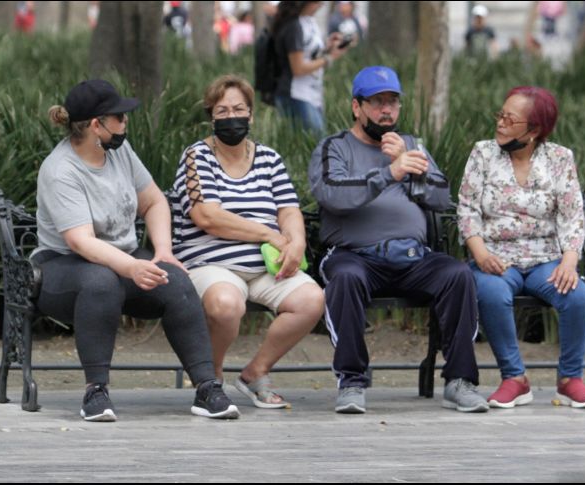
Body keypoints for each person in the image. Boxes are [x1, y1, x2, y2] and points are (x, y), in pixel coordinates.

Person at [35, 79, 239, 422]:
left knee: (175, 281)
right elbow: (80, 241)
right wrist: (131, 268)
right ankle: (95, 392)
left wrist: (162, 252)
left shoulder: (119, 152)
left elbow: (155, 201)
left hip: (120, 260)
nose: (126, 123)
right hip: (62, 268)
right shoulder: (60, 170)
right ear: (96, 125)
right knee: (100, 282)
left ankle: (207, 388)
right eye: (120, 117)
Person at [309, 66, 489, 414]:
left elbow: (440, 199)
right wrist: (389, 172)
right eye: (377, 102)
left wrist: (411, 169)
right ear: (356, 107)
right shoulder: (334, 147)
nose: (386, 110)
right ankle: (351, 381)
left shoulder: (412, 147)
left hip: (413, 256)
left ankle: (459, 381)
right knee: (345, 279)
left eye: (392, 102)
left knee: (458, 275)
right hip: (354, 255)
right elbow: (333, 195)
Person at [171, 74, 324, 409]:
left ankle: (256, 372)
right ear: (211, 116)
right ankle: (210, 381)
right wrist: (269, 234)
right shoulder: (197, 157)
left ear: (251, 115)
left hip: (265, 266)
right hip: (211, 264)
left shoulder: (268, 158)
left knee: (312, 299)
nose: (231, 117)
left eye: (239, 109)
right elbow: (207, 217)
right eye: (222, 111)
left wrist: (295, 241)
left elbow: (288, 209)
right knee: (227, 305)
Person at [457, 86, 585, 409]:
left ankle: (570, 380)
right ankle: (515, 379)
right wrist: (480, 253)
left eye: (511, 119)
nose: (501, 124)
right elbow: (467, 209)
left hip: (544, 259)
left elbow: (572, 215)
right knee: (492, 294)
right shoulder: (483, 153)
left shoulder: (560, 159)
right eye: (501, 115)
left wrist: (569, 261)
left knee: (577, 295)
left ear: (534, 131)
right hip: (495, 257)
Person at [272, 1, 351, 135]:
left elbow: (309, 55)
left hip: (312, 93)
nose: (321, 5)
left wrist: (328, 48)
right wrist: (329, 58)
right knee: (315, 142)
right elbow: (298, 68)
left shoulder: (309, 21)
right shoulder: (294, 25)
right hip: (295, 94)